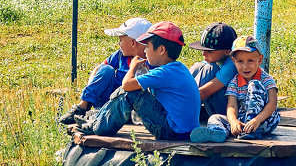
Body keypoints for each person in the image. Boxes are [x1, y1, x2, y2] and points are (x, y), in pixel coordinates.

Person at [72, 21, 200, 141]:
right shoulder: (178, 69)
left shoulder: (164, 73)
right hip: (182, 130)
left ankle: (98, 127)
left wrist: (133, 67)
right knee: (133, 91)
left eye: (147, 47)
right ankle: (97, 120)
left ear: (161, 50)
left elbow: (127, 85)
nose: (145, 51)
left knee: (131, 94)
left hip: (172, 131)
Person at [58, 17, 151, 125]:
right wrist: (92, 88)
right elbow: (99, 68)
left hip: (131, 105)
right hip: (109, 98)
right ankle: (83, 106)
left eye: (120, 40)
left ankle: (102, 115)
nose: (118, 44)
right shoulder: (120, 55)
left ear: (133, 43)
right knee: (106, 70)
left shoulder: (150, 60)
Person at [189, 36, 280, 143]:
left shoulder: (266, 78)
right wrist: (233, 121)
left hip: (264, 120)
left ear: (259, 59)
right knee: (215, 117)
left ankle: (250, 131)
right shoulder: (235, 81)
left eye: (250, 61)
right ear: (233, 61)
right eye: (240, 61)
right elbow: (232, 105)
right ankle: (219, 132)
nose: (245, 67)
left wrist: (256, 120)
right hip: (242, 120)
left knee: (254, 84)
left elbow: (272, 104)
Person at [187, 22, 238, 120]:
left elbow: (204, 92)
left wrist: (178, 103)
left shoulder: (232, 65)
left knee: (209, 69)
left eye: (209, 51)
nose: (203, 53)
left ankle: (182, 111)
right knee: (198, 66)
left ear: (228, 51)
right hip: (213, 105)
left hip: (229, 113)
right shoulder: (216, 59)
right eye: (202, 49)